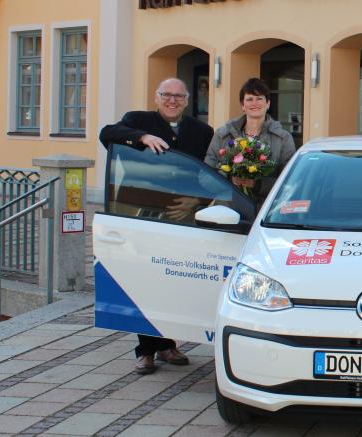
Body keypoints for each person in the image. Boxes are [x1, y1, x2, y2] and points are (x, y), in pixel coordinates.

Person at [99, 77, 214, 375]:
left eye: (178, 96)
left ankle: (167, 345)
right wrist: (141, 137)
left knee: (173, 279)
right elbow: (107, 133)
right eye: (166, 95)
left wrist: (196, 202)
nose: (172, 100)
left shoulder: (202, 131)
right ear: (157, 97)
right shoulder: (138, 120)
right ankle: (145, 350)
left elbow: (208, 172)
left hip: (180, 215)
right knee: (143, 278)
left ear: (187, 100)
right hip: (139, 210)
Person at [204, 77, 297, 202]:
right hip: (227, 208)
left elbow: (291, 181)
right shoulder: (223, 135)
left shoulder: (283, 138)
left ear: (268, 103)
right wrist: (229, 179)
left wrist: (257, 184)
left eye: (259, 98)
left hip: (265, 210)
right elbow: (205, 175)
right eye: (249, 99)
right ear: (243, 105)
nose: (255, 103)